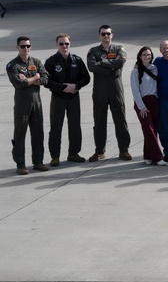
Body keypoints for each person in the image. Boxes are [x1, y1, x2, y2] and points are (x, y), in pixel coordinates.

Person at [87, 25, 131, 161]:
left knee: (120, 118)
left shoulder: (119, 49)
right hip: (100, 89)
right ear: (99, 36)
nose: (106, 36)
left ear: (112, 35)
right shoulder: (93, 51)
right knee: (99, 120)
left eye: (108, 34)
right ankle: (99, 150)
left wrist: (103, 63)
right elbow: (92, 66)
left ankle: (124, 150)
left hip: (115, 88)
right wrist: (111, 67)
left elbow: (120, 62)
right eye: (103, 34)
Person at [44, 33, 90, 166]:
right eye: (61, 44)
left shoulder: (77, 60)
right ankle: (55, 156)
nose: (64, 46)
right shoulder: (51, 61)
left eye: (66, 44)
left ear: (70, 44)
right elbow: (46, 81)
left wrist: (76, 86)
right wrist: (63, 87)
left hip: (74, 97)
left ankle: (73, 153)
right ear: (56, 45)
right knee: (56, 127)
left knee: (75, 126)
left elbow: (86, 78)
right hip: (58, 97)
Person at [8, 36, 49, 174]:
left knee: (38, 133)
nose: (25, 49)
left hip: (36, 103)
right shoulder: (13, 65)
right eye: (22, 46)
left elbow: (45, 78)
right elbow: (19, 84)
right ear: (17, 47)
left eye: (28, 46)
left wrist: (31, 80)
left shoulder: (36, 62)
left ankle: (38, 161)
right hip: (22, 104)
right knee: (20, 134)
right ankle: (20, 164)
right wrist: (35, 77)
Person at [130, 46, 164, 165]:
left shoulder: (155, 68)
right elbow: (135, 90)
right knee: (149, 129)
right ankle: (158, 157)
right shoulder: (135, 71)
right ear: (140, 56)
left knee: (152, 131)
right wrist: (141, 106)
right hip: (142, 104)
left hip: (154, 102)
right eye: (144, 55)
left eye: (148, 55)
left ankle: (147, 155)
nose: (146, 57)